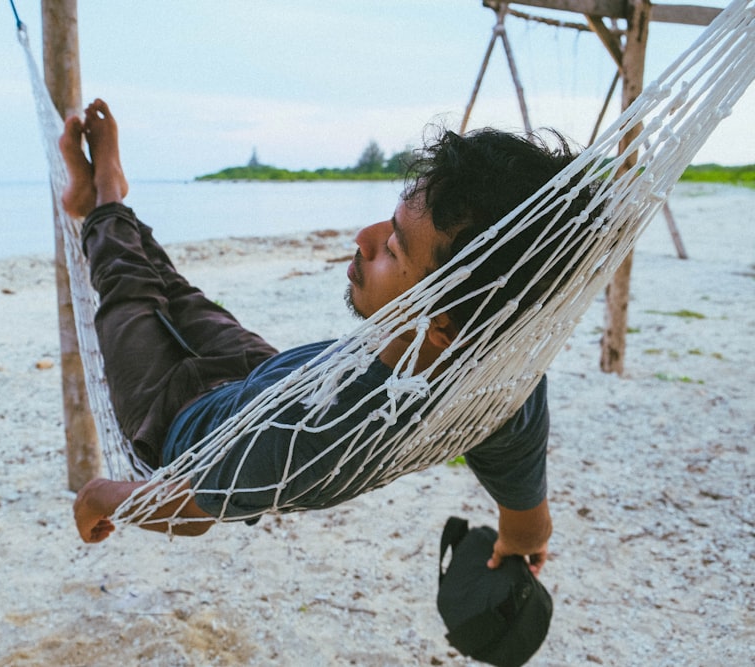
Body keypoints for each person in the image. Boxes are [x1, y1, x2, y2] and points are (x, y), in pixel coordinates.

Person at [65, 99, 589, 576]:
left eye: (393, 249)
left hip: (177, 427)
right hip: (272, 380)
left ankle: (104, 197)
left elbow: (190, 508)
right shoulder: (495, 375)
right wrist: (525, 534)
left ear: (441, 324)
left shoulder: (317, 436)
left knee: (127, 294)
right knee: (176, 292)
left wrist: (99, 496)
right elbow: (521, 481)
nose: (363, 239)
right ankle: (109, 203)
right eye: (389, 224)